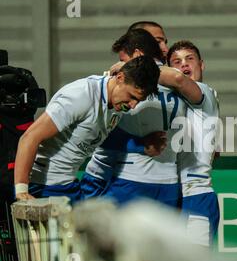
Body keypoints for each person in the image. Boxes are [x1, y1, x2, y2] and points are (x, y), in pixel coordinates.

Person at [81, 23, 203, 207]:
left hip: (132, 179)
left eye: (163, 41)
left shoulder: (122, 80)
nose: (164, 47)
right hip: (160, 182)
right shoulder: (182, 84)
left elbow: (99, 136)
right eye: (157, 41)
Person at [13, 55, 160, 202]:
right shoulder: (81, 95)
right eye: (131, 96)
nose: (133, 105)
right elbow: (29, 137)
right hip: (42, 186)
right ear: (120, 78)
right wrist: (21, 190)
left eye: (138, 101)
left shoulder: (118, 104)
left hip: (68, 185)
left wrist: (141, 145)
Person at [168, 41, 221, 247]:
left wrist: (135, 70)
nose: (184, 65)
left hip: (195, 196)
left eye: (189, 59)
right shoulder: (174, 101)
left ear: (202, 65)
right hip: (174, 195)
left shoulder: (203, 91)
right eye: (177, 62)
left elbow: (179, 81)